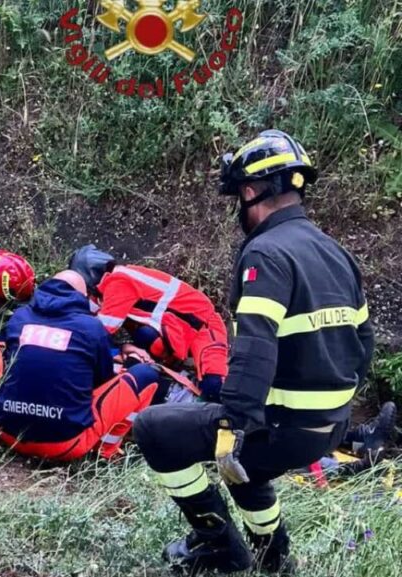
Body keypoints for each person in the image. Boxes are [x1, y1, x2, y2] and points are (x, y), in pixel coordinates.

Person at [132, 129, 374, 574]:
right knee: (245, 455)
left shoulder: (265, 252)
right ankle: (274, 555)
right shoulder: (334, 251)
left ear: (249, 191)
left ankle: (218, 546)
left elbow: (254, 347)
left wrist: (233, 421)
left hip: (288, 427)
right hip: (330, 425)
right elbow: (363, 345)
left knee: (154, 428)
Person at [0, 270, 161, 461]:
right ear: (83, 297)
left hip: (8, 434)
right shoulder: (91, 327)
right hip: (66, 444)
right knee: (147, 375)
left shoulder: (19, 318)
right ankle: (106, 450)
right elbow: (102, 382)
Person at [69, 244, 229, 401]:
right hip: (180, 330)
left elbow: (100, 330)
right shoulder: (116, 281)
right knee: (144, 335)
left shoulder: (118, 282)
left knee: (214, 386)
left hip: (204, 326)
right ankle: (176, 375)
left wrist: (67, 342)